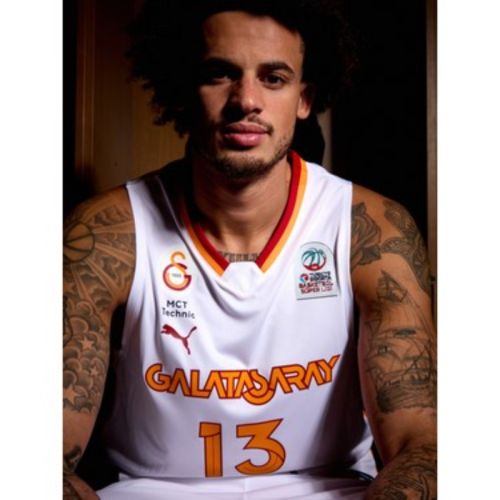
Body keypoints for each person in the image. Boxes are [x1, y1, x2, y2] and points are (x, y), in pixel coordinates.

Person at [63, 1, 437, 498]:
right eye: (219, 74)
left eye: (273, 78)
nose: (246, 100)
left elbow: (420, 444)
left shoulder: (372, 229)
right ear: (183, 88)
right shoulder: (107, 233)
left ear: (304, 99)